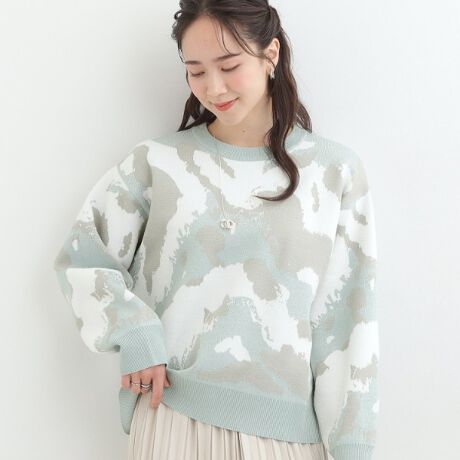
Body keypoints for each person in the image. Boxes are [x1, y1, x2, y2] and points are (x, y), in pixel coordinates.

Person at [53, 1, 379, 459]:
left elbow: (348, 322)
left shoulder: (333, 171)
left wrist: (352, 449)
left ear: (271, 54)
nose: (214, 87)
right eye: (196, 71)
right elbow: (83, 259)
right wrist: (135, 333)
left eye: (229, 66)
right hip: (174, 420)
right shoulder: (157, 162)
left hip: (287, 437)